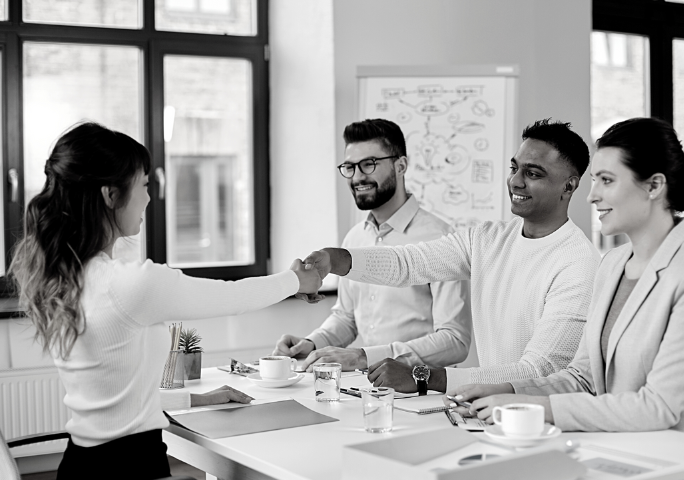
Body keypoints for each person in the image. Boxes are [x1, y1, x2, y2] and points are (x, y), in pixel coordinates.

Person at [8, 122, 322, 479]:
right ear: (111, 195)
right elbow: (230, 296)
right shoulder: (129, 283)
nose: (148, 197)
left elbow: (112, 401)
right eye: (143, 185)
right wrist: (298, 279)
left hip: (82, 465)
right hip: (131, 466)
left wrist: (196, 399)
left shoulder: (63, 277)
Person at [444, 117, 684, 439]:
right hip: (622, 451)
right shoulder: (613, 264)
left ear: (654, 186)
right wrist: (504, 392)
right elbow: (583, 379)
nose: (591, 196)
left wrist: (539, 408)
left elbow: (658, 406)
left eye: (606, 180)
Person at [302, 119, 600, 394]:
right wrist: (334, 259)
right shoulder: (487, 238)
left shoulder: (578, 262)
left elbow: (538, 370)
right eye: (514, 168)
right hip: (488, 407)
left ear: (569, 186)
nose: (516, 182)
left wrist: (423, 376)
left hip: (542, 421)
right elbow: (408, 264)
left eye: (533, 173)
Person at [273, 119, 472, 372]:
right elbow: (347, 318)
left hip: (423, 392)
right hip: (369, 388)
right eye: (349, 167)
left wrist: (365, 357)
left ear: (401, 166)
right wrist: (312, 344)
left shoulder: (441, 238)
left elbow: (455, 341)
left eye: (369, 164)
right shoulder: (354, 238)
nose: (357, 177)